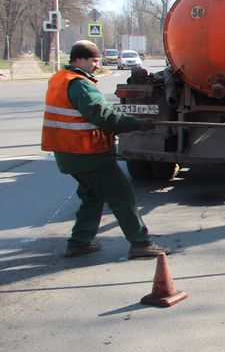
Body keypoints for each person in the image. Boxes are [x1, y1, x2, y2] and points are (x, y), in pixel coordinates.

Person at [41, 40, 171, 259]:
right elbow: (106, 118)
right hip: (88, 153)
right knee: (122, 195)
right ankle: (140, 243)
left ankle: (79, 242)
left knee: (92, 196)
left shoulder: (59, 79)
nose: (97, 64)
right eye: (93, 60)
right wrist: (138, 123)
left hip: (69, 153)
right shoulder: (79, 84)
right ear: (79, 59)